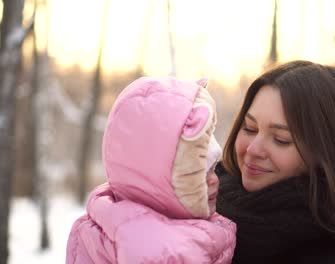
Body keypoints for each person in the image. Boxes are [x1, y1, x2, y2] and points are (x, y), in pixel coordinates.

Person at [215, 60, 335, 264]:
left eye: (281, 139)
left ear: (326, 153)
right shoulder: (200, 205)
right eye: (249, 128)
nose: (253, 149)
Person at [66, 76, 236, 264]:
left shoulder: (111, 217)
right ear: (160, 181)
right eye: (200, 174)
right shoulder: (160, 251)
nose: (214, 179)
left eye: (213, 168)